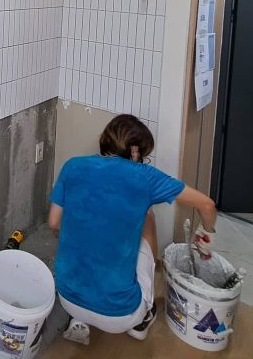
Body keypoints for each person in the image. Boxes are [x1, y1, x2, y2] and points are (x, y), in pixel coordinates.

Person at [48, 114, 217, 344]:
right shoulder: (144, 176)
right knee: (147, 215)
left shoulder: (72, 166)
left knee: (90, 228)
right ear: (135, 152)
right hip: (121, 313)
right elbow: (207, 205)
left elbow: (53, 223)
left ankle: (79, 318)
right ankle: (142, 320)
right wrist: (206, 232)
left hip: (67, 298)